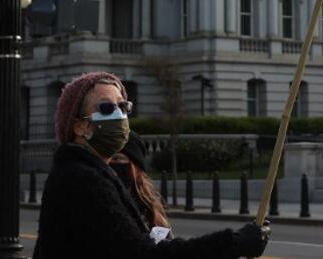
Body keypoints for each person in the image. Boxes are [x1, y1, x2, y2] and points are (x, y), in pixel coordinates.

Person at [33, 71, 270, 259]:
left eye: (123, 106)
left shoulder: (85, 171)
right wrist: (234, 243)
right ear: (80, 126)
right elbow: (142, 255)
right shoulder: (82, 178)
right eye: (106, 108)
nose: (119, 116)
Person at [108, 131, 170, 234]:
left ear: (135, 166)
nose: (110, 164)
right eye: (107, 159)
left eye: (117, 158)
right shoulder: (102, 196)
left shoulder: (148, 202)